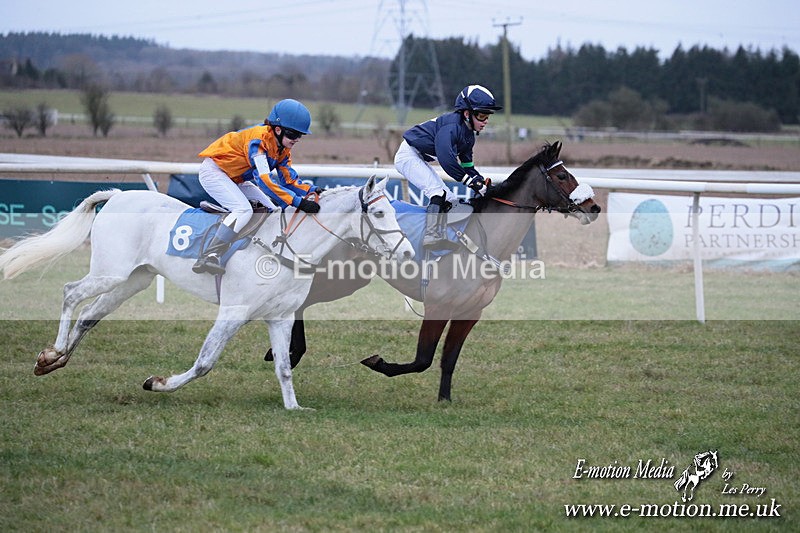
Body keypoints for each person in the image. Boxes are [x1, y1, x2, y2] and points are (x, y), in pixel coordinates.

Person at [192, 98, 322, 275]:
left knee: (272, 211)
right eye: (293, 134)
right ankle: (209, 255)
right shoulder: (258, 140)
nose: (297, 139)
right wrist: (298, 202)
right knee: (244, 210)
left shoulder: (282, 149)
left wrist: (311, 191)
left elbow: (288, 180)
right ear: (277, 129)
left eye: (300, 135)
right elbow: (264, 181)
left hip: (235, 178)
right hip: (215, 172)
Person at [395, 84, 502, 247]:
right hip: (408, 155)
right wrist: (470, 182)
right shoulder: (451, 127)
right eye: (481, 115)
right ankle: (431, 236)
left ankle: (446, 237)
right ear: (467, 113)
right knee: (437, 193)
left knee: (450, 200)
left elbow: (467, 167)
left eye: (488, 116)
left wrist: (481, 183)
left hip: (419, 157)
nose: (485, 121)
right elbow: (447, 161)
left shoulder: (468, 136)